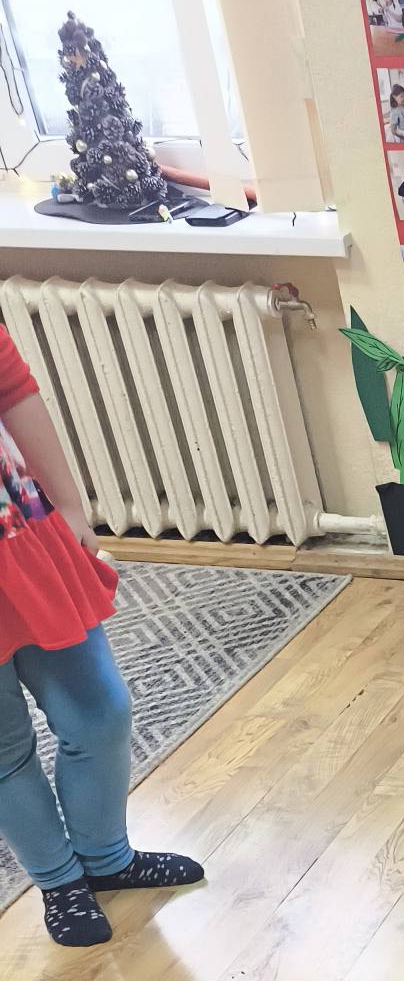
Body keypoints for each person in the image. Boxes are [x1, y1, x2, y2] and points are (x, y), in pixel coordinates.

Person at [0, 330, 202, 946]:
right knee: (2, 749)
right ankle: (59, 882)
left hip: (20, 534)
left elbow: (13, 389)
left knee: (100, 712)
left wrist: (70, 507)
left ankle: (107, 859)